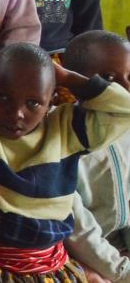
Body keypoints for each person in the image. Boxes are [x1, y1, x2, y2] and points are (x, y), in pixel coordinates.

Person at [0, 44, 130, 281]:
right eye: (2, 97)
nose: (16, 113)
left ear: (52, 99)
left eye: (33, 103)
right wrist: (12, 60)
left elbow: (125, 110)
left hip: (53, 266)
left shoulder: (66, 130)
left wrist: (67, 77)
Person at [60, 31, 130, 280]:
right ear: (78, 83)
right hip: (79, 254)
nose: (126, 88)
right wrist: (121, 271)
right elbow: (78, 231)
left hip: (120, 249)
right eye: (109, 79)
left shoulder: (127, 130)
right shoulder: (62, 138)